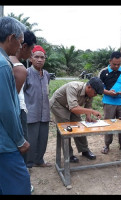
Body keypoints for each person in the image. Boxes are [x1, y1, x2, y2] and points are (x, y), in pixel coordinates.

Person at [0, 16, 31, 195]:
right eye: (20, 42)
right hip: (5, 143)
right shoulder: (4, 65)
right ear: (11, 38)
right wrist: (20, 140)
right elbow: (6, 109)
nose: (20, 47)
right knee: (19, 185)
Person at [50, 77, 104, 163]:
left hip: (72, 106)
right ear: (89, 87)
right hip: (59, 105)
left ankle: (84, 150)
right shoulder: (73, 87)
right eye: (95, 93)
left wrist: (88, 116)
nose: (95, 95)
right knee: (66, 128)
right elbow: (74, 108)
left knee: (80, 126)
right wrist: (92, 111)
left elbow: (88, 106)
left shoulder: (91, 92)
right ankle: (69, 154)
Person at [9, 30, 37, 193]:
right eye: (31, 49)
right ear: (23, 45)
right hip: (18, 112)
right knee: (21, 148)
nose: (32, 53)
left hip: (16, 112)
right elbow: (11, 102)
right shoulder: (19, 68)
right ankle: (20, 184)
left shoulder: (6, 60)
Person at [99, 51, 121, 154]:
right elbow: (99, 88)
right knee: (108, 124)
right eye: (114, 64)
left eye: (119, 64)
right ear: (110, 61)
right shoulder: (103, 72)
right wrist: (108, 92)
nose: (117, 66)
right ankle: (107, 145)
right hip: (108, 103)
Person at [24, 45, 52, 168]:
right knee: (31, 140)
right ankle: (28, 164)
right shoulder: (26, 73)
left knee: (43, 139)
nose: (40, 60)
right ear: (31, 58)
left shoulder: (46, 75)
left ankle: (39, 160)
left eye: (42, 57)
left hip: (45, 113)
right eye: (36, 57)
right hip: (31, 113)